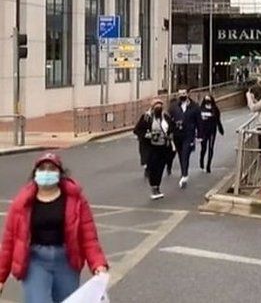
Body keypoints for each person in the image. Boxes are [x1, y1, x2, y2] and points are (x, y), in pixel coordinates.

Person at [0, 153, 109, 302]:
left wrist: (98, 264)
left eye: (51, 169)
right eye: (42, 168)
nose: (46, 172)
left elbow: (88, 237)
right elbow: (9, 242)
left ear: (60, 174)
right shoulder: (22, 203)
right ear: (35, 173)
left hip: (66, 260)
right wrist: (1, 277)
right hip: (35, 261)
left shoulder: (75, 200)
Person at [134, 98, 174, 199]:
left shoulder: (166, 117)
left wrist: (169, 135)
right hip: (151, 147)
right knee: (153, 168)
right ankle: (153, 187)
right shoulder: (146, 117)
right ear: (152, 108)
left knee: (160, 168)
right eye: (156, 107)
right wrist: (147, 135)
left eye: (160, 107)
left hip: (163, 147)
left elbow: (172, 128)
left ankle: (157, 187)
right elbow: (137, 130)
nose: (158, 109)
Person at [168, 88, 201, 189]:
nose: (181, 95)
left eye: (183, 93)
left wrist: (200, 135)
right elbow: (169, 120)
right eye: (180, 94)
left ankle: (184, 175)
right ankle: (184, 172)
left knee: (185, 154)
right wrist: (170, 132)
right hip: (177, 135)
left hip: (189, 134)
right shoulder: (174, 107)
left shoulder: (194, 106)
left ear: (188, 94)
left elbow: (199, 121)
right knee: (181, 155)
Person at [197, 94, 224, 174]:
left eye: (209, 100)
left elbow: (218, 120)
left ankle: (208, 165)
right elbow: (198, 120)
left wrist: (220, 129)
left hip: (212, 130)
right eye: (206, 100)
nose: (208, 101)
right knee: (204, 148)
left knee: (211, 148)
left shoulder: (215, 109)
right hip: (204, 131)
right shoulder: (201, 109)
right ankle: (201, 160)